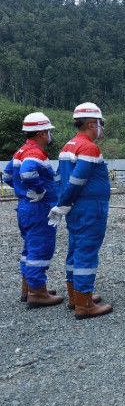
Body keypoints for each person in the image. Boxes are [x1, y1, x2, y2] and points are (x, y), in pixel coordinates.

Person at [48, 102, 112, 320]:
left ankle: (75, 296)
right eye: (100, 124)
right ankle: (84, 304)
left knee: (75, 249)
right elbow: (78, 180)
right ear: (92, 124)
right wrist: (65, 201)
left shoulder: (67, 147)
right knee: (86, 252)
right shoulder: (88, 148)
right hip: (89, 208)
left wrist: (63, 203)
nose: (102, 129)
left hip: (76, 208)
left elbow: (60, 178)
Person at [2, 112, 63, 308]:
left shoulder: (20, 151)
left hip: (26, 207)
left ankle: (28, 288)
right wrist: (39, 189)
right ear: (41, 133)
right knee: (41, 248)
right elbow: (28, 172)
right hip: (39, 208)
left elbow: (7, 175)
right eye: (48, 131)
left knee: (29, 249)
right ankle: (37, 293)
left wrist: (22, 191)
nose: (50, 135)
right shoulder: (35, 153)